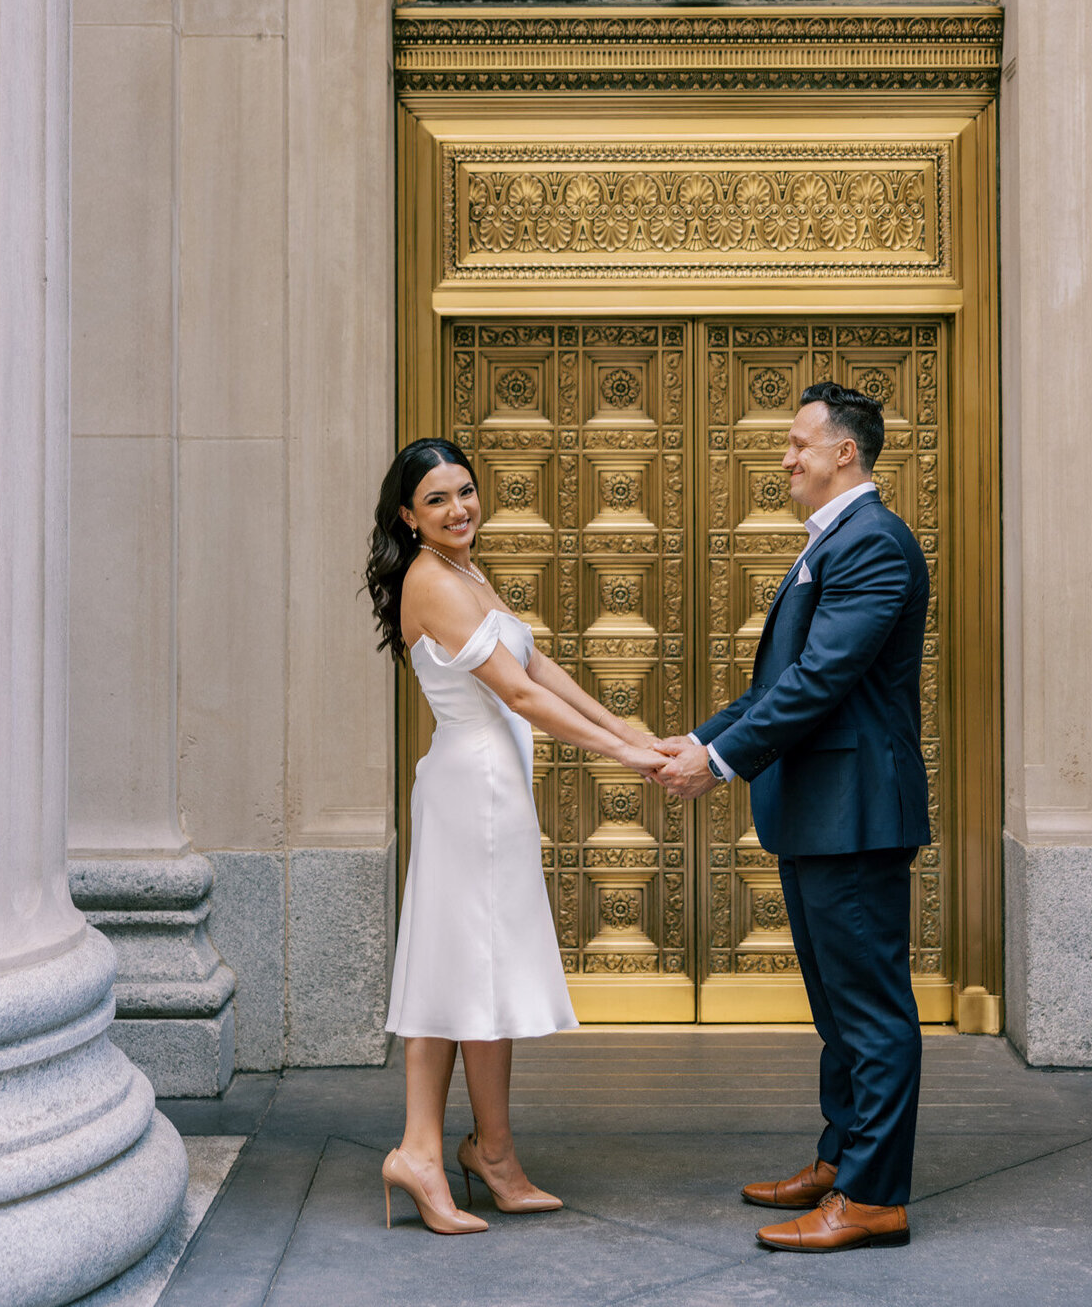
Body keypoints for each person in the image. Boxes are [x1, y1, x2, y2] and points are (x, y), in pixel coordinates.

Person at [365, 437, 665, 1235]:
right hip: (475, 792)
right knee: (457, 967)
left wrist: (623, 723)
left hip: (487, 788)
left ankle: (486, 1151)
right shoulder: (433, 579)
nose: (459, 508)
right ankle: (429, 1152)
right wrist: (626, 754)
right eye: (437, 499)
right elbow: (522, 698)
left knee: (473, 969)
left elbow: (540, 664)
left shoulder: (463, 570)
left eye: (465, 491)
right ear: (407, 514)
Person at [656, 381, 931, 1253]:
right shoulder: (837, 541)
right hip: (820, 813)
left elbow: (822, 682)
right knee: (835, 1006)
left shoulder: (874, 543)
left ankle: (875, 1195)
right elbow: (781, 684)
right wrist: (699, 735)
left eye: (798, 443)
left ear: (844, 451)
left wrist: (723, 760)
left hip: (855, 817)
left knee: (871, 1010)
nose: (786, 458)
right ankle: (843, 1156)